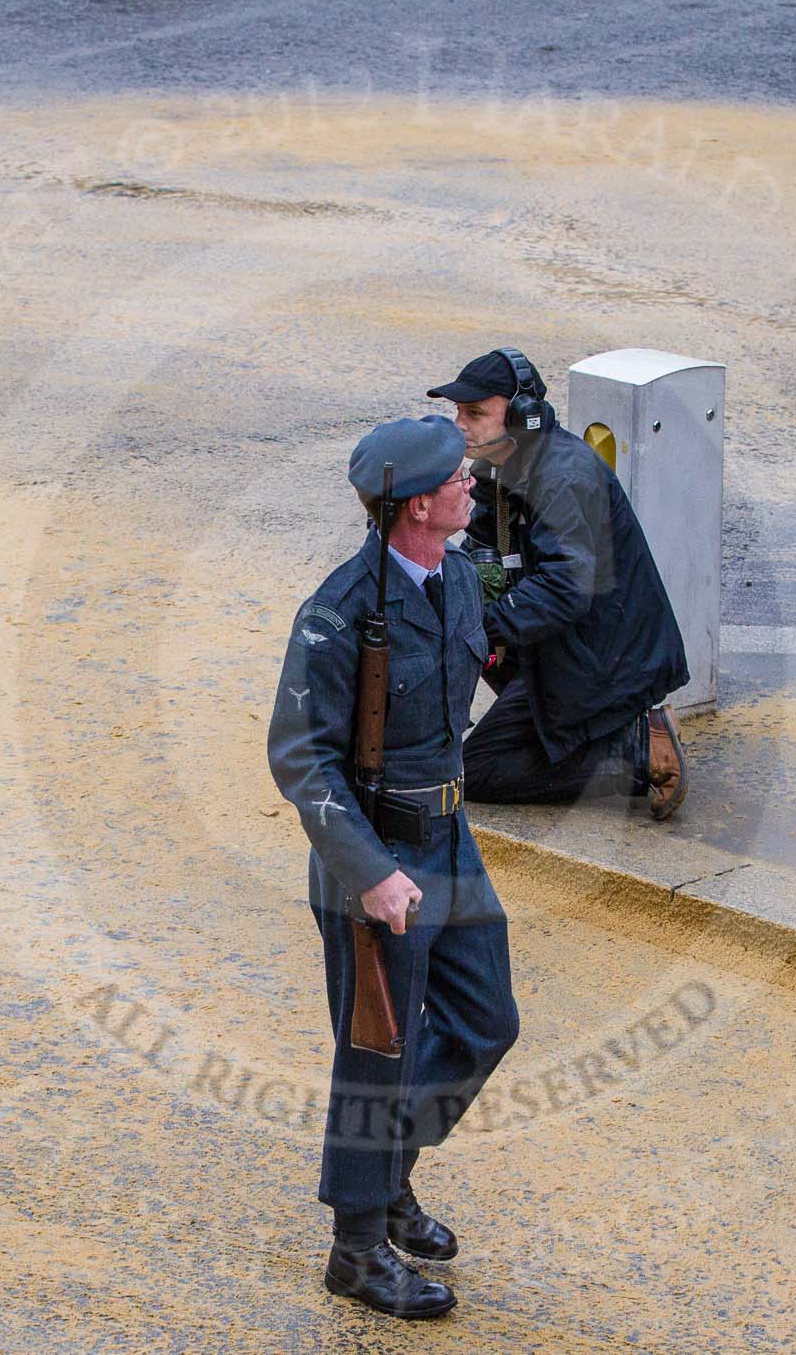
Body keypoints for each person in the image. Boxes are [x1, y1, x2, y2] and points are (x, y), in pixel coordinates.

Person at [267, 415, 520, 1319]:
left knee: (487, 1020)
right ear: (418, 503)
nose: (471, 484)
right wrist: (368, 871)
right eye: (457, 477)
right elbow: (301, 759)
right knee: (378, 1051)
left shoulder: (454, 578)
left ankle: (391, 1169)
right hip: (374, 857)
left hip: (450, 840)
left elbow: (489, 660)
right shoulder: (337, 615)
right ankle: (359, 1244)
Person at [429, 348, 690, 818]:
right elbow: (485, 552)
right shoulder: (505, 464)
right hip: (573, 643)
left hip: (606, 656)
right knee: (467, 624)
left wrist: (480, 626)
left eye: (474, 413)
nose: (459, 424)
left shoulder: (563, 476)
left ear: (523, 415)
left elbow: (565, 588)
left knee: (480, 770)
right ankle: (601, 728)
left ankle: (635, 752)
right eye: (458, 412)